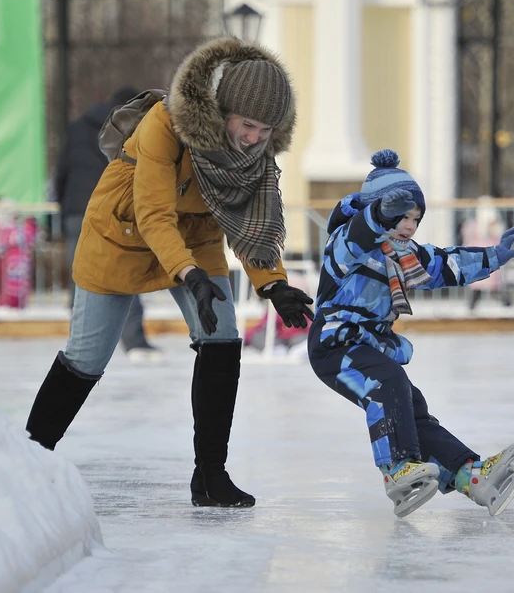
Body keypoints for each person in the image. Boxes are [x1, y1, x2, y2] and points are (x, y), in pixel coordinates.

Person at [25, 37, 314, 508]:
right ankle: (28, 458)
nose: (254, 139)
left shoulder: (255, 151)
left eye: (265, 131)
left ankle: (210, 476)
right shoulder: (166, 124)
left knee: (222, 339)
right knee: (87, 357)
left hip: (195, 238)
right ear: (225, 111)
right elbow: (154, 212)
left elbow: (255, 221)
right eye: (248, 126)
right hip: (121, 236)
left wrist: (273, 283)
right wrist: (188, 274)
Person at [307, 149, 514, 518]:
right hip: (335, 343)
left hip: (367, 343)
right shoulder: (346, 243)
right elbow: (358, 234)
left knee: (411, 407)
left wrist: (492, 256)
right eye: (402, 217)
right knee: (387, 382)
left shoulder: (405, 255)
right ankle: (398, 468)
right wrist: (379, 215)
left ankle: (470, 475)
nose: (410, 226)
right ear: (380, 212)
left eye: (416, 218)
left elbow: (446, 264)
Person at [54, 85, 164, 362]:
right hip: (113, 209)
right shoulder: (136, 125)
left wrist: (61, 208)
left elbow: (62, 170)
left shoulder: (79, 126)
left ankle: (82, 343)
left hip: (76, 210)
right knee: (127, 271)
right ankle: (135, 343)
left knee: (81, 276)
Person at [460, 196, 512, 310]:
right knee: (482, 285)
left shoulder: (492, 226)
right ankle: (505, 303)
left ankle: (506, 303)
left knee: (490, 284)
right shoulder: (474, 226)